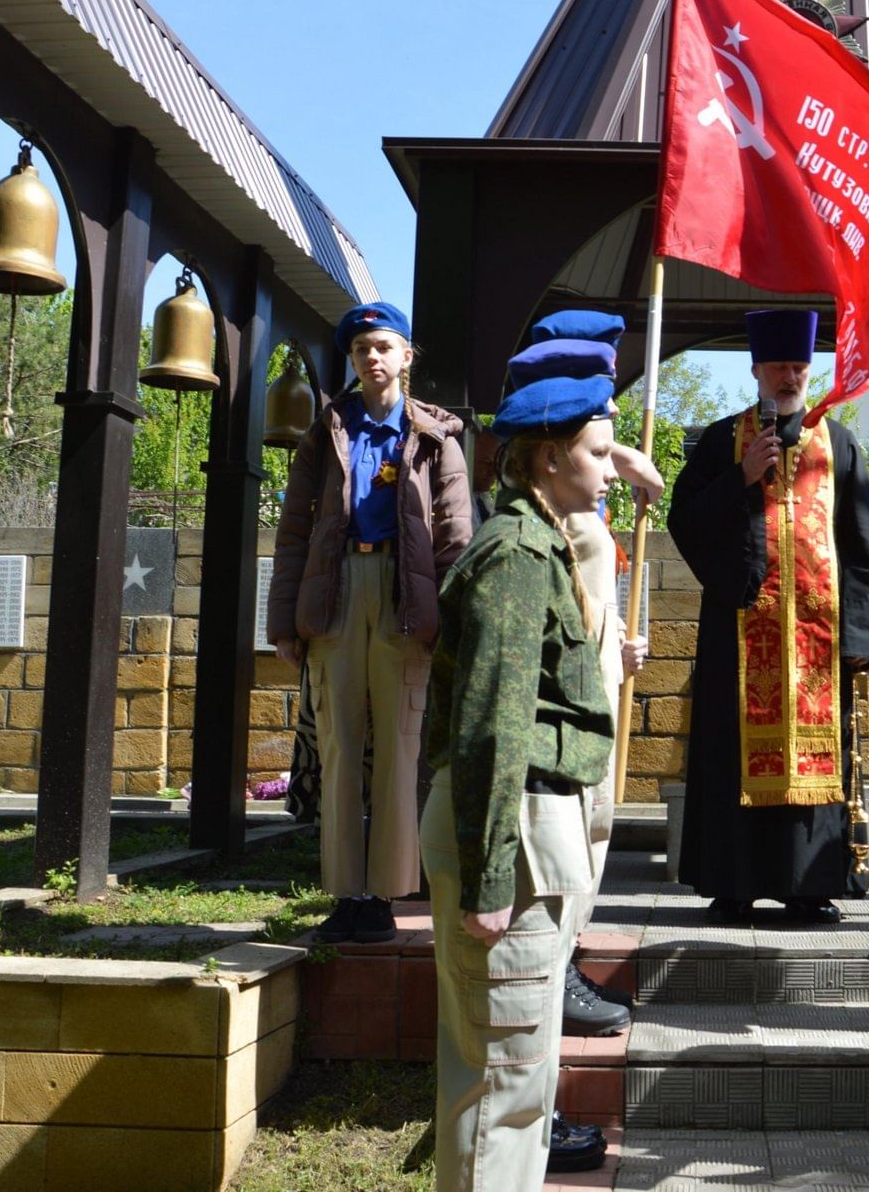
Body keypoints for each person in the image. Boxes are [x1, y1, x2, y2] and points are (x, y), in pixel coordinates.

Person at [421, 362, 621, 1184]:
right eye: (599, 452)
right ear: (547, 457)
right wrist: (489, 874)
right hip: (515, 837)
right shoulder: (514, 556)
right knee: (501, 1084)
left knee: (519, 1077)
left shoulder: (537, 543)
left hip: (535, 828)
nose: (611, 469)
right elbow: (492, 727)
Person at [667, 309, 869, 925]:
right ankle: (733, 883)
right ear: (755, 370)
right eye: (777, 366)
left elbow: (862, 542)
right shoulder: (722, 441)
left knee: (819, 761)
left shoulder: (839, 442)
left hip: (818, 641)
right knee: (732, 753)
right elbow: (684, 523)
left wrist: (862, 632)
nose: (789, 376)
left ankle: (809, 883)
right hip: (741, 633)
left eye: (798, 366)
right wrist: (740, 480)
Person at [267, 301, 472, 945]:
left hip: (404, 603)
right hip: (334, 599)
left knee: (400, 751)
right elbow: (294, 531)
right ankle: (346, 895)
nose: (372, 359)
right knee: (337, 748)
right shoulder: (326, 433)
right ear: (352, 362)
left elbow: (457, 538)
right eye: (361, 351)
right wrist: (284, 624)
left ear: (407, 356)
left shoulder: (437, 438)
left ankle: (385, 895)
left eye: (384, 347)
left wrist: (452, 625)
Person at [511, 310, 663, 1036]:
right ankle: (558, 962)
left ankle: (566, 951)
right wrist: (625, 458)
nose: (606, 399)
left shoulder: (584, 488)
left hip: (597, 691)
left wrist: (615, 651)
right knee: (568, 837)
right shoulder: (551, 505)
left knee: (591, 831)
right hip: (566, 718)